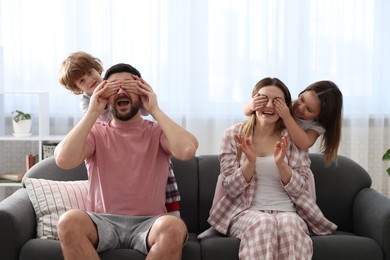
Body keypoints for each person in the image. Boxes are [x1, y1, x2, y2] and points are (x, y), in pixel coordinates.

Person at [54, 63, 198, 259]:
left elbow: (187, 150)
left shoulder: (157, 132)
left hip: (150, 223)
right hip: (101, 222)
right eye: (114, 87)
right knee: (68, 221)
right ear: (104, 94)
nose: (121, 90)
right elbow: (63, 159)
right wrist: (93, 111)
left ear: (141, 93)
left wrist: (154, 108)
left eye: (128, 86)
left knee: (174, 226)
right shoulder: (96, 132)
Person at [208, 77, 337, 259]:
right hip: (244, 211)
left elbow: (299, 188)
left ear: (284, 106)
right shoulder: (232, 135)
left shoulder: (294, 138)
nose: (269, 106)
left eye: (276, 102)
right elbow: (231, 187)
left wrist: (281, 164)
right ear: (254, 101)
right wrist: (249, 163)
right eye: (262, 99)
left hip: (288, 211)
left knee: (290, 225)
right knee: (264, 223)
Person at [59, 51, 181, 216]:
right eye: (82, 80)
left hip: (138, 141)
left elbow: (144, 111)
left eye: (90, 73)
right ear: (77, 89)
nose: (90, 80)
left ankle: (173, 215)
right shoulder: (89, 103)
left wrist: (141, 94)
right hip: (109, 144)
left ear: (97, 69)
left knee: (166, 172)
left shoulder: (114, 84)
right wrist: (101, 103)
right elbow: (66, 155)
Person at [244, 80, 343, 165]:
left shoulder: (316, 126)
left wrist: (287, 117)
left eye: (309, 109)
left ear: (319, 116)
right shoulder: (287, 104)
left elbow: (304, 143)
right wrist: (250, 106)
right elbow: (248, 112)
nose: (300, 107)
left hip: (293, 163)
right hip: (268, 154)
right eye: (302, 99)